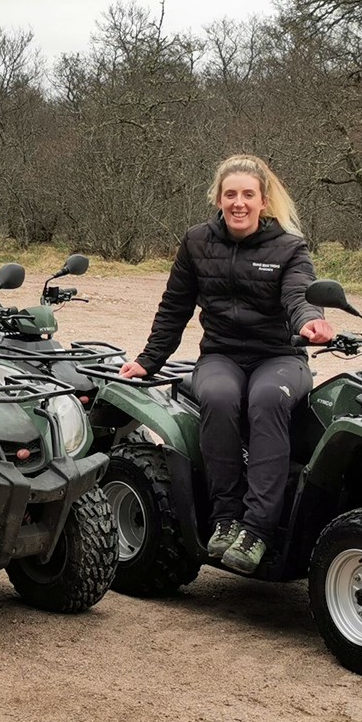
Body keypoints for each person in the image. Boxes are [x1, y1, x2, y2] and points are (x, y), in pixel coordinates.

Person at [118, 154, 334, 574]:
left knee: (267, 400)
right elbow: (174, 307)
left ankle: (257, 528)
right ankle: (225, 519)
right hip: (221, 354)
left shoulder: (289, 247)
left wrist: (311, 323)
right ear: (218, 198)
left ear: (264, 201)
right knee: (217, 397)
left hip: (280, 357)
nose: (239, 202)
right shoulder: (197, 241)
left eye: (248, 194)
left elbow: (300, 295)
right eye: (230, 194)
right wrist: (148, 360)